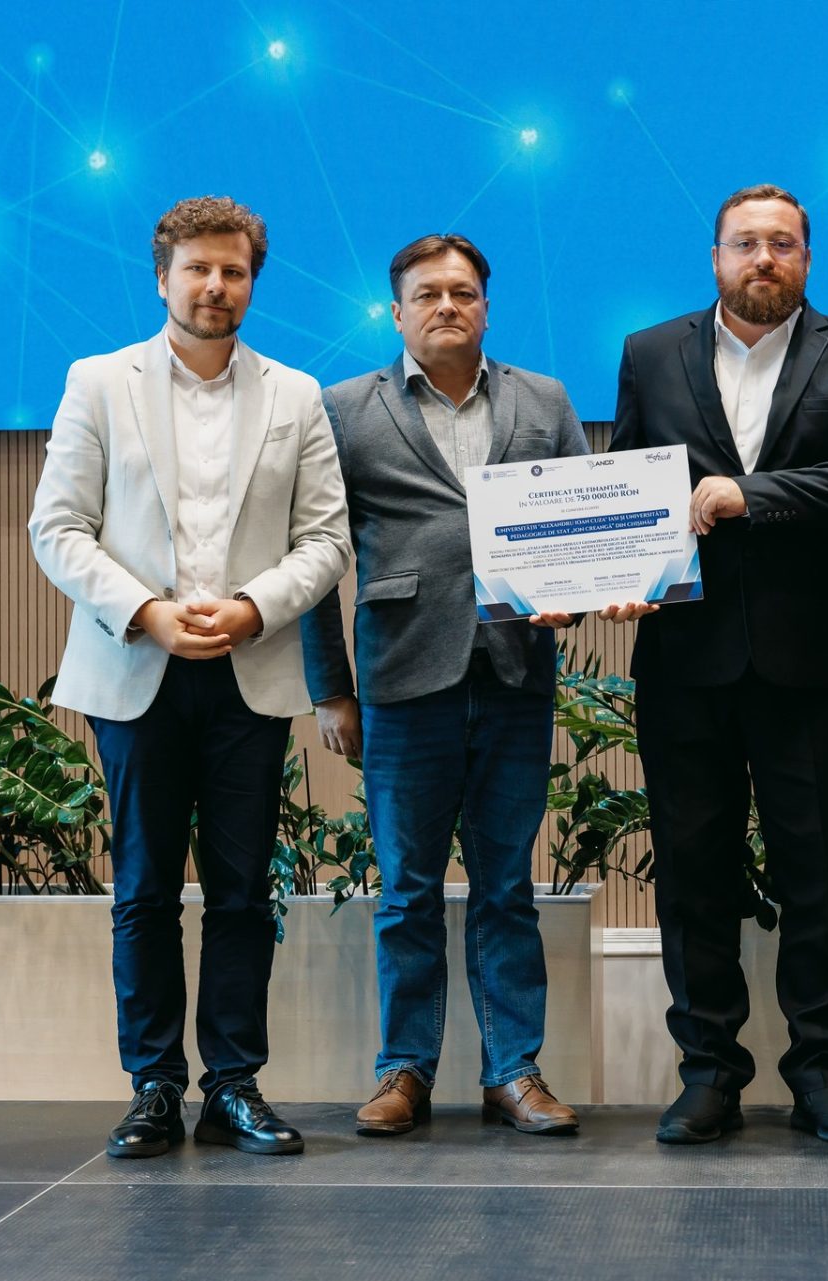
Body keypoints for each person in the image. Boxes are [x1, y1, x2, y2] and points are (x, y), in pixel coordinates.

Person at [29, 196, 350, 1159]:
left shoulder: (297, 394)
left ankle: (235, 1085)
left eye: (234, 271)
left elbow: (326, 539)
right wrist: (146, 610)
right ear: (162, 276)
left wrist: (253, 607)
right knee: (145, 889)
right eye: (199, 269)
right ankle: (154, 1087)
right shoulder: (98, 382)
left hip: (250, 672)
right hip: (138, 667)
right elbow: (58, 528)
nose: (216, 286)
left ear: (252, 282)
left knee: (244, 891)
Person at [607, 183, 828, 1145]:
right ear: (715, 257)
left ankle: (822, 1072)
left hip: (812, 661)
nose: (763, 258)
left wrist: (753, 493)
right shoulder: (649, 351)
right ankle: (708, 1072)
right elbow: (628, 483)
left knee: (816, 874)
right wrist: (617, 573)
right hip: (683, 659)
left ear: (807, 259)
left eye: (782, 243)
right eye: (745, 243)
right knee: (692, 873)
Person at [301, 234, 589, 1138]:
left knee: (506, 887)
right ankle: (404, 1070)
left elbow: (584, 528)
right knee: (406, 890)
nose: (446, 307)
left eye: (463, 292)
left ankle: (514, 1071)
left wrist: (578, 593)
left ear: (487, 307)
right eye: (427, 294)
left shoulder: (545, 400)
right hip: (400, 679)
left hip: (514, 675)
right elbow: (315, 556)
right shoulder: (344, 408)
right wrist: (331, 689)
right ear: (397, 312)